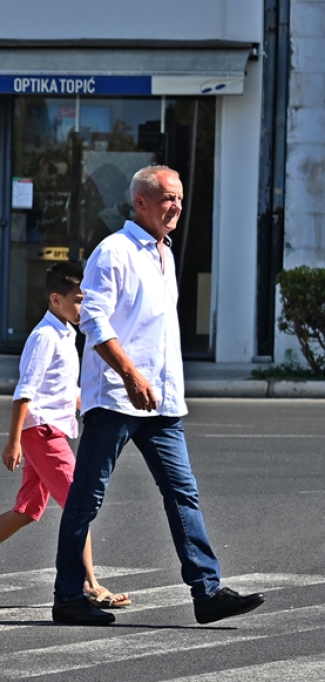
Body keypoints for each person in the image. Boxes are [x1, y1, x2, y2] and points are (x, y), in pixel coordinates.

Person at [51, 165, 264, 625]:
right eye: (168, 198)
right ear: (141, 202)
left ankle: (206, 592)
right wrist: (130, 374)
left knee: (182, 493)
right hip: (115, 397)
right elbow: (94, 321)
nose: (177, 207)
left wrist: (159, 385)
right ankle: (68, 596)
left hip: (161, 402)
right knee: (86, 497)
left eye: (181, 199)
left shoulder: (163, 254)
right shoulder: (115, 252)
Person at [0, 262, 130, 610]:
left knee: (28, 509)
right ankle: (90, 584)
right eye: (77, 300)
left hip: (51, 428)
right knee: (80, 502)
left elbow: (63, 390)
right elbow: (24, 392)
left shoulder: (67, 332)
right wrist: (13, 440)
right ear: (55, 299)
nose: (83, 308)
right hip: (41, 431)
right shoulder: (44, 337)